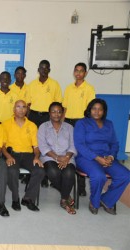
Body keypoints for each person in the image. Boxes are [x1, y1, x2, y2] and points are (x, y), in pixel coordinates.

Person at [74, 98, 130, 215]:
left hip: (106, 158)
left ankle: (106, 200)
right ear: (89, 110)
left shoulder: (109, 124)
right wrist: (96, 158)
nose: (97, 111)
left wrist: (111, 156)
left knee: (125, 175)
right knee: (99, 176)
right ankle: (94, 203)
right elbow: (80, 145)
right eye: (94, 108)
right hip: (86, 158)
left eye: (100, 109)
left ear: (104, 112)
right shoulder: (82, 123)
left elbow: (114, 143)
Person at [2, 100, 45, 212]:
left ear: (27, 109)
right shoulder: (5, 124)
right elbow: (1, 146)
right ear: (14, 109)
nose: (21, 110)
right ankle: (15, 199)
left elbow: (36, 146)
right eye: (18, 107)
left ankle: (28, 198)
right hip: (12, 154)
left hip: (28, 155)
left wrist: (36, 157)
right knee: (12, 171)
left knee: (40, 170)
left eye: (23, 107)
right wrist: (8, 156)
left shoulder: (32, 125)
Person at [63, 62, 96, 196]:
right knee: (66, 149)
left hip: (81, 123)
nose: (78, 73)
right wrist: (62, 122)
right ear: (73, 72)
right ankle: (63, 181)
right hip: (68, 122)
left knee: (80, 152)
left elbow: (91, 110)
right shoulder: (69, 88)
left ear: (85, 73)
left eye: (81, 71)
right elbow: (64, 108)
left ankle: (81, 187)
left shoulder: (89, 89)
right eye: (76, 70)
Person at [37, 102, 77, 214]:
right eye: (53, 111)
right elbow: (42, 146)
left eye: (59, 111)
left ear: (63, 113)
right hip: (49, 157)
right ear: (49, 113)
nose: (56, 114)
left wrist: (67, 157)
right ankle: (66, 195)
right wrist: (57, 157)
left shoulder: (69, 127)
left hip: (67, 156)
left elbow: (74, 145)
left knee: (69, 173)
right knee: (53, 172)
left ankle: (64, 200)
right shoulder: (43, 127)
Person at [28, 60, 62, 127]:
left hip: (48, 116)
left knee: (48, 136)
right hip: (33, 116)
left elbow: (58, 103)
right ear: (38, 70)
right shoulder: (31, 84)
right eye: (42, 68)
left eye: (46, 68)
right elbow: (28, 104)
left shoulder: (55, 84)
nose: (44, 70)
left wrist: (54, 116)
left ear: (49, 70)